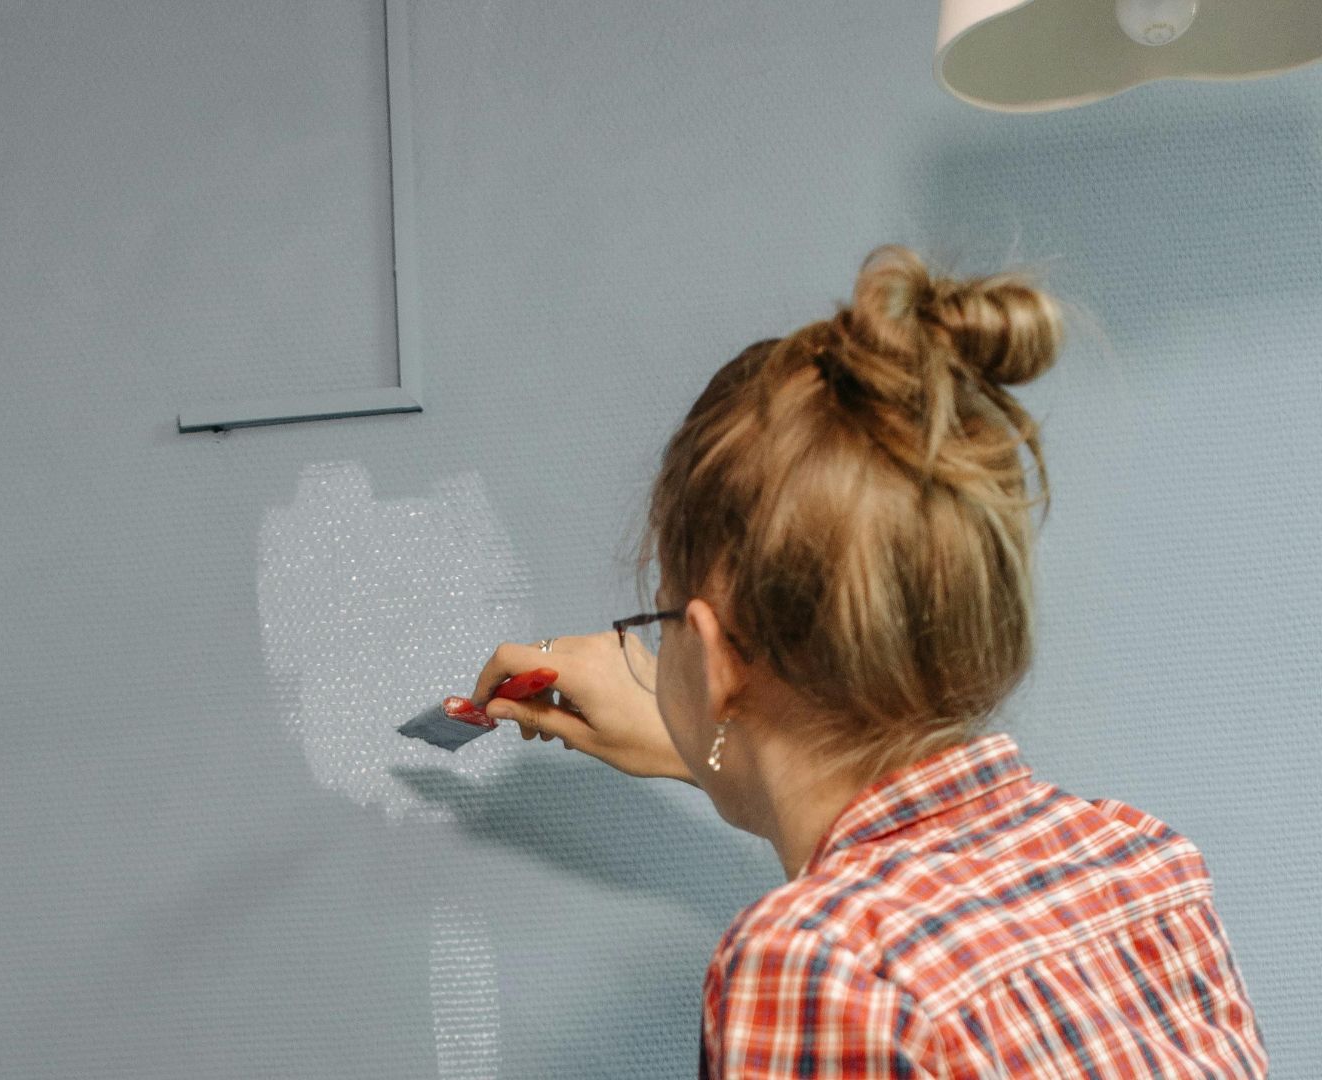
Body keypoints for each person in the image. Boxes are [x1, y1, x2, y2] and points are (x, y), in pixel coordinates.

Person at [470, 246, 1268, 1078]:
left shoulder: (814, 967)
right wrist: (706, 745)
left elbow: (871, 929)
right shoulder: (1138, 865)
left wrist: (714, 730)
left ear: (713, 657)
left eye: (662, 625)